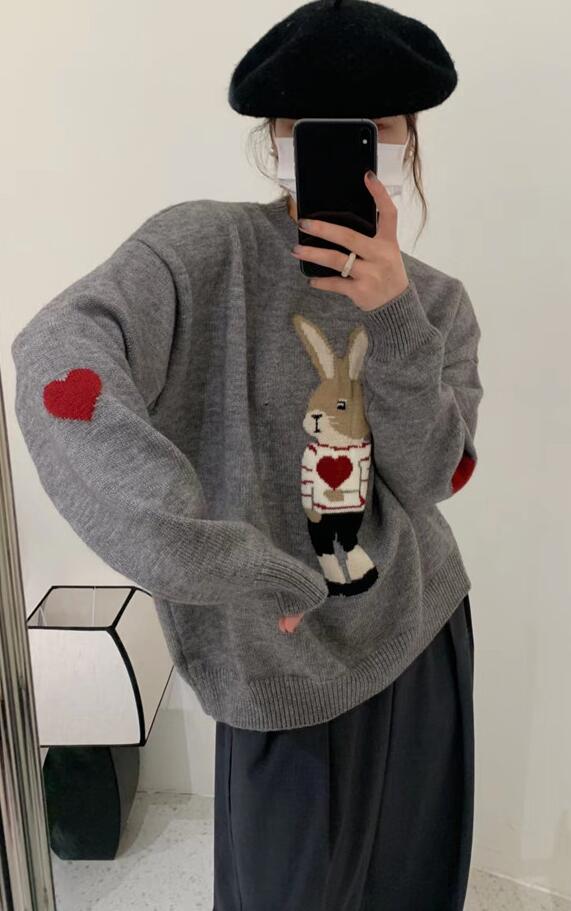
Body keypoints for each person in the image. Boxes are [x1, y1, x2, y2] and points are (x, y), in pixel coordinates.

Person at [11, 1, 484, 908]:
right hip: (271, 659)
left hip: (415, 635)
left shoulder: (436, 302)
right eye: (318, 131)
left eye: (377, 128)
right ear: (277, 141)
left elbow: (433, 477)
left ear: (408, 142)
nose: (355, 153)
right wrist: (207, 553)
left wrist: (391, 315)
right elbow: (60, 357)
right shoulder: (205, 250)